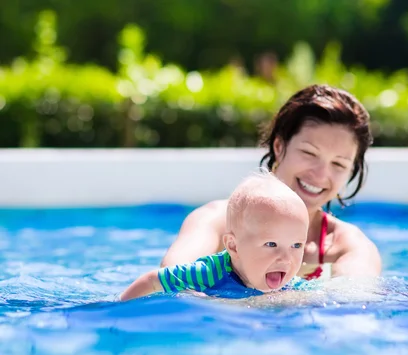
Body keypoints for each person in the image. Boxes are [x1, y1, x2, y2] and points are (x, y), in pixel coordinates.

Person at [160, 84, 382, 279]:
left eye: (339, 164)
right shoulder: (217, 223)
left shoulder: (347, 247)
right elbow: (173, 284)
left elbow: (353, 306)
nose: (321, 174)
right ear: (279, 146)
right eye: (309, 153)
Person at [120, 170, 309, 301]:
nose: (286, 258)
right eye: (271, 244)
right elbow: (153, 280)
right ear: (233, 246)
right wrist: (120, 309)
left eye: (296, 245)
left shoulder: (292, 285)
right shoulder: (207, 274)